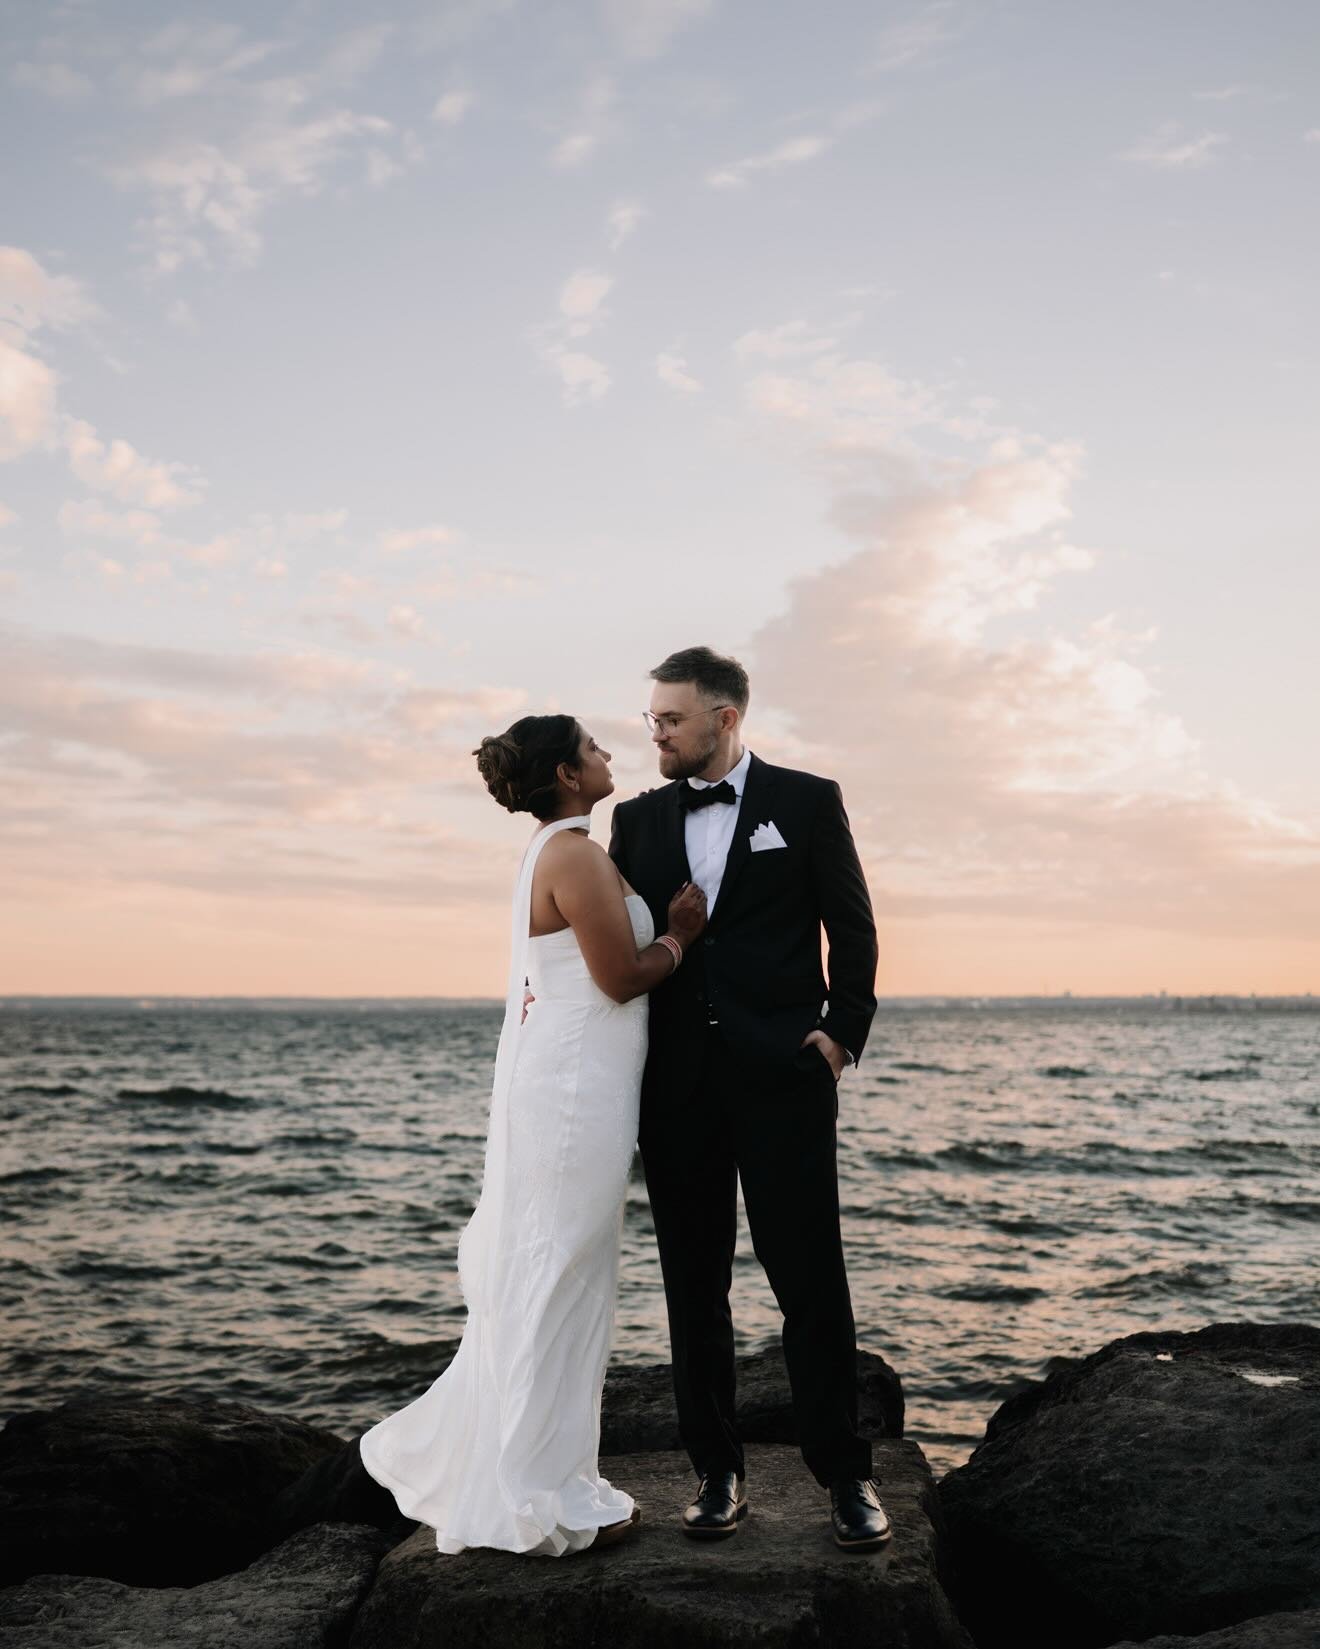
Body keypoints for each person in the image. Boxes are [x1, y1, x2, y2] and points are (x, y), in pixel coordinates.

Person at [358, 714, 706, 1557]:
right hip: (573, 1093)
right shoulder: (573, 857)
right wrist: (679, 935)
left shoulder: (561, 851)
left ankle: (553, 1471)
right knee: (560, 1274)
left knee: (567, 1272)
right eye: (592, 747)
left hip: (578, 1084)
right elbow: (619, 977)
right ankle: (534, 1487)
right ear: (567, 774)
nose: (608, 754)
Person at [608, 646, 890, 1551]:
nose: (656, 732)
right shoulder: (634, 820)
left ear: (724, 718)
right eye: (653, 718)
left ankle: (845, 1475)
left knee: (810, 1279)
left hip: (785, 1080)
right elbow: (623, 945)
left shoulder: (807, 801)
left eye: (671, 719)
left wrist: (840, 1034)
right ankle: (716, 1471)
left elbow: (852, 926)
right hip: (676, 1088)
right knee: (695, 1287)